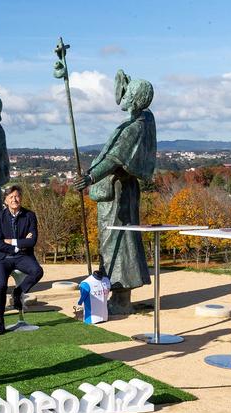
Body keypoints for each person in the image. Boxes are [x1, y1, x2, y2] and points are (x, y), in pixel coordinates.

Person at [74, 71, 156, 314]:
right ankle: (116, 294)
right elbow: (127, 101)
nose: (124, 97)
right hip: (123, 191)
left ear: (135, 99)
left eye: (129, 94)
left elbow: (114, 159)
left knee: (117, 243)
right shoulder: (144, 118)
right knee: (116, 241)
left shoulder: (134, 128)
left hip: (117, 193)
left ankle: (120, 298)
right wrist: (124, 83)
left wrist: (89, 177)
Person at [0, 185, 44, 335]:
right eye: (11, 197)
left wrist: (12, 242)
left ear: (20, 198)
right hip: (3, 257)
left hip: (23, 256)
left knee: (37, 271)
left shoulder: (30, 215)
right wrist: (17, 245)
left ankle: (18, 292)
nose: (14, 199)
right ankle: (0, 322)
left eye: (17, 196)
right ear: (6, 201)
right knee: (0, 286)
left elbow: (32, 241)